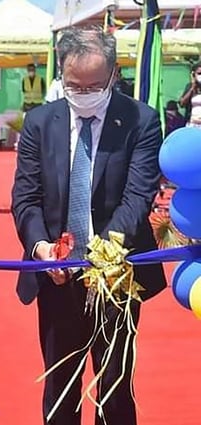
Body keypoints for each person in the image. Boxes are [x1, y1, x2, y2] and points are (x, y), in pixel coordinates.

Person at [11, 27, 167, 425]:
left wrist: (104, 253)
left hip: (117, 277)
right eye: (73, 85)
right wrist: (41, 247)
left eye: (94, 85)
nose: (83, 94)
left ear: (113, 75)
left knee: (114, 385)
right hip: (57, 275)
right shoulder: (41, 122)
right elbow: (25, 198)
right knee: (60, 385)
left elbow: (138, 196)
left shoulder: (140, 121)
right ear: (61, 75)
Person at [179, 61, 201, 127]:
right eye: (199, 73)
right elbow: (182, 104)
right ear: (194, 74)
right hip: (192, 124)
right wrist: (192, 88)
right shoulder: (190, 86)